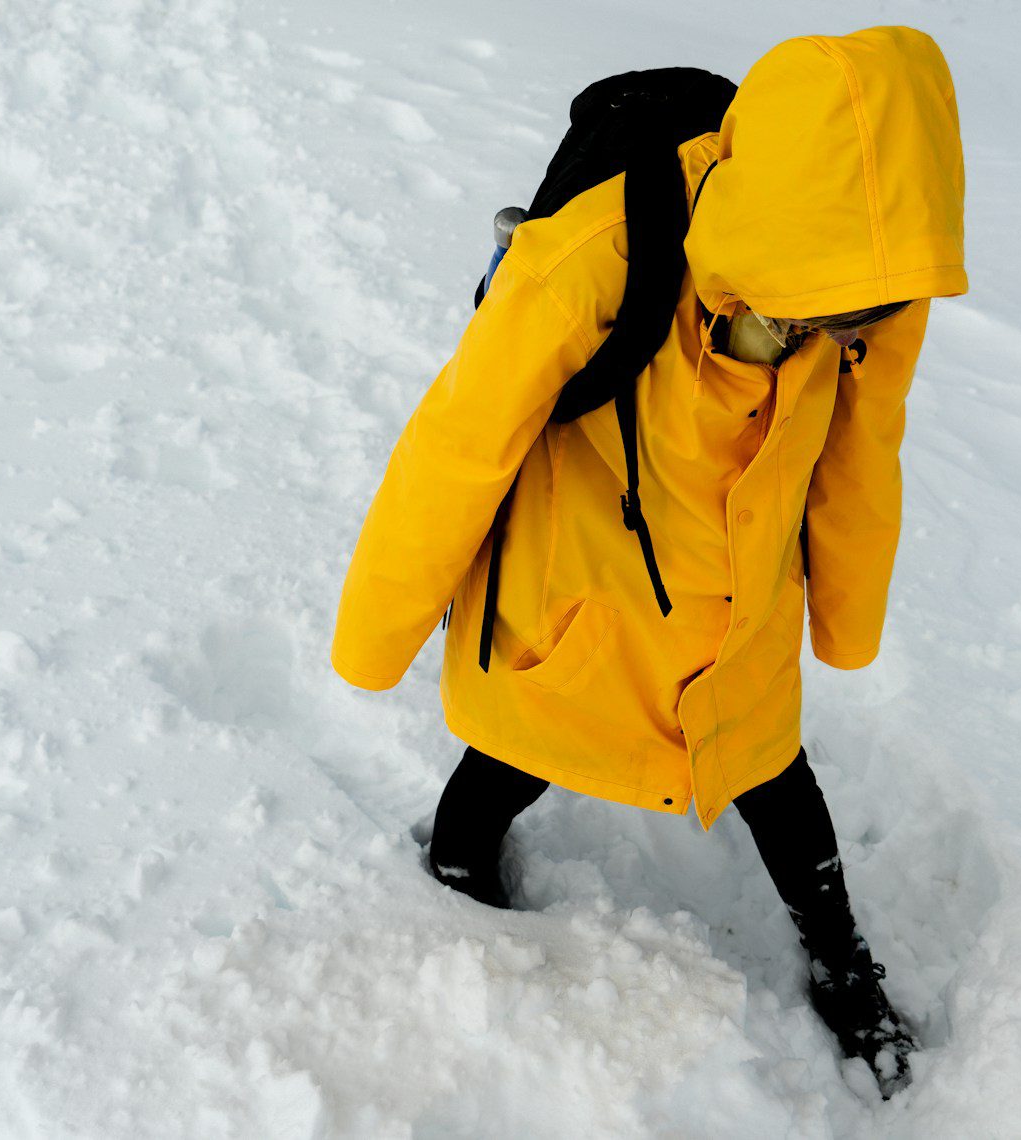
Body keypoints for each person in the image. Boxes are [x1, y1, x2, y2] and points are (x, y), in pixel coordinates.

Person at [331, 25, 967, 1093]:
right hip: (581, 574)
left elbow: (863, 452)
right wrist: (376, 637)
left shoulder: (874, 285)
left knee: (769, 763)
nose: (839, 329)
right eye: (816, 310)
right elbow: (456, 445)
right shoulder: (595, 259)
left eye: (855, 311)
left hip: (736, 598)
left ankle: (839, 956)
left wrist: (842, 618)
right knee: (517, 750)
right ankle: (454, 870)